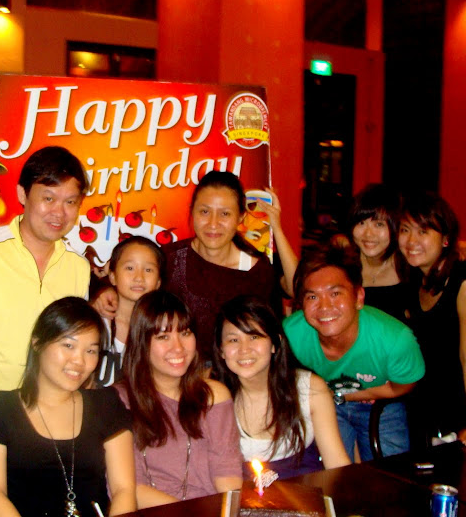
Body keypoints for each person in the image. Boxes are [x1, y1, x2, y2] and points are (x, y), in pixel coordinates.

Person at [0, 297, 136, 517]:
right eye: (68, 346)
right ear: (37, 342)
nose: (79, 361)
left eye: (90, 351)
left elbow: (124, 490)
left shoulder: (106, 404)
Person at [0, 146, 91, 420]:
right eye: (48, 198)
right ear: (22, 194)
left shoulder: (78, 267)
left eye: (70, 202)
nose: (59, 212)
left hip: (47, 418)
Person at [283, 243, 425, 462]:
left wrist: (355, 395)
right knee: (326, 472)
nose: (324, 306)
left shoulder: (395, 339)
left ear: (358, 297)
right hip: (321, 402)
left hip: (379, 400)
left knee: (391, 472)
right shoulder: (290, 335)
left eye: (335, 293)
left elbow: (403, 385)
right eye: (312, 297)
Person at [115, 290, 242, 508]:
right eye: (163, 337)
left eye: (185, 333)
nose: (178, 347)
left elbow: (228, 475)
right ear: (142, 343)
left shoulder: (213, 397)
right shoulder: (119, 401)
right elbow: (132, 488)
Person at [213, 296, 350, 479]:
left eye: (254, 337)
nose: (244, 349)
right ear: (221, 350)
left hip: (306, 490)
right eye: (233, 340)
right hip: (241, 493)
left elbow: (337, 464)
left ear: (274, 344)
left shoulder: (309, 389)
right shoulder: (212, 397)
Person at [164, 171, 286, 355]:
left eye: (225, 214)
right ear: (192, 211)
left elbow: (269, 339)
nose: (213, 223)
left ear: (240, 218)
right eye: (205, 212)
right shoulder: (169, 259)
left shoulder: (257, 272)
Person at [399, 191, 466, 447]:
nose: (411, 240)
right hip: (422, 409)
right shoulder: (413, 283)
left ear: (445, 239)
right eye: (405, 230)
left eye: (423, 231)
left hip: (460, 409)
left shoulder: (464, 280)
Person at [94, 236, 164, 387]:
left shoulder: (163, 330)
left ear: (158, 282)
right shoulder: (94, 321)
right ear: (112, 276)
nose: (139, 277)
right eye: (130, 268)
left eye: (148, 270)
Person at [343, 184, 408, 321]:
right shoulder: (342, 266)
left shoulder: (409, 270)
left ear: (395, 227)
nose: (368, 234)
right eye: (361, 223)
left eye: (379, 224)